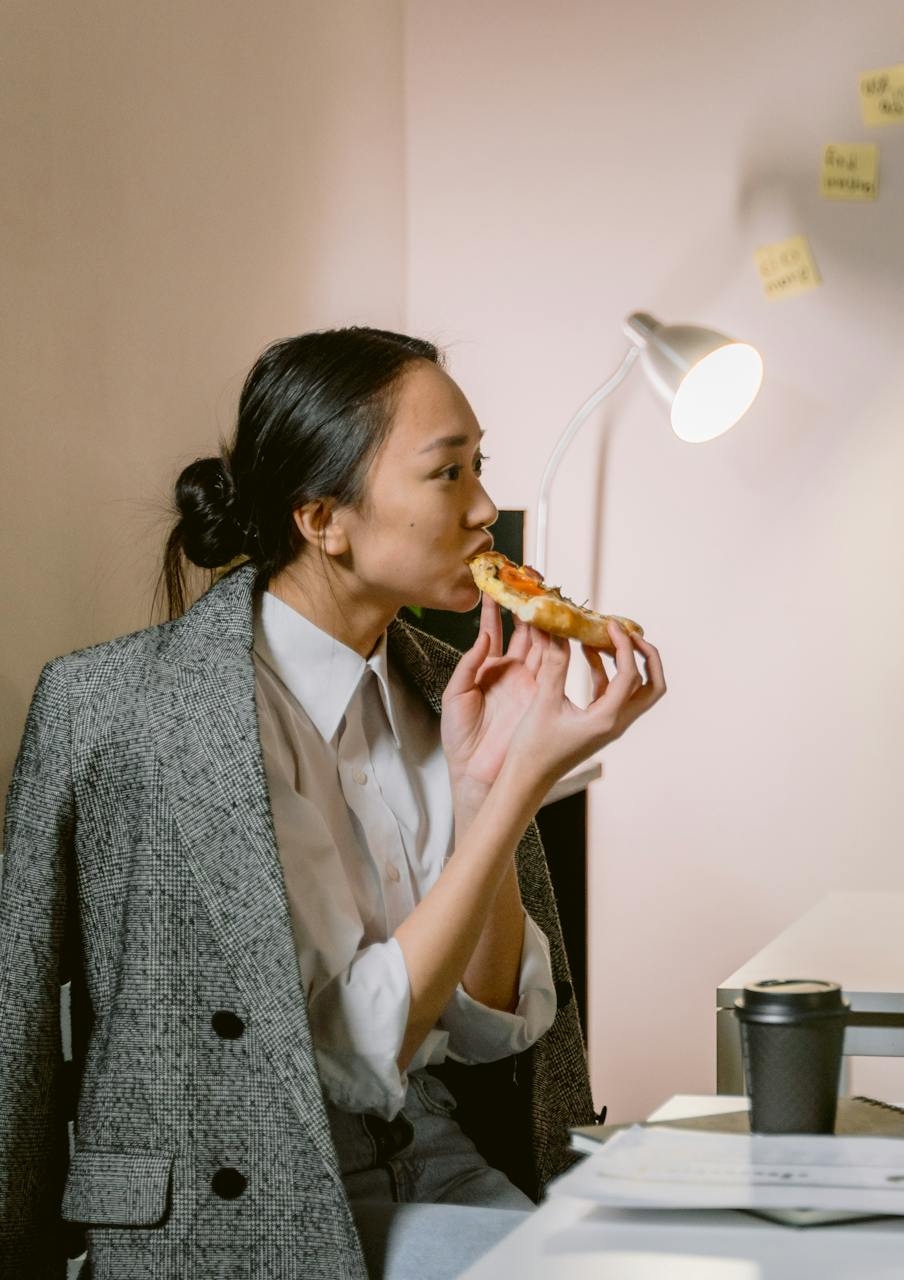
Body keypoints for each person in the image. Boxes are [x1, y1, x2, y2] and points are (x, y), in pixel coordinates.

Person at [0, 327, 667, 1279]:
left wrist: (492, 792)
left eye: (483, 466)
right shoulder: (117, 710)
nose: (486, 509)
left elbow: (489, 1030)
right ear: (324, 520)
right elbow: (16, 1036)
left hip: (440, 1164)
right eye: (447, 474)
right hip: (234, 1213)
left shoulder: (449, 687)